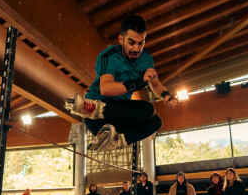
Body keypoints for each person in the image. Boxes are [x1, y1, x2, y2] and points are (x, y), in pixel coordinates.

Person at [66, 15, 178, 152]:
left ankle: (118, 140)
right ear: (121, 39)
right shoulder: (110, 56)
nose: (137, 49)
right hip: (96, 114)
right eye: (131, 43)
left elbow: (155, 84)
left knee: (154, 119)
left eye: (141, 43)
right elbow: (105, 89)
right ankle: (93, 109)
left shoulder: (146, 60)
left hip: (119, 115)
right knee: (147, 110)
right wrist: (137, 83)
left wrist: (166, 95)